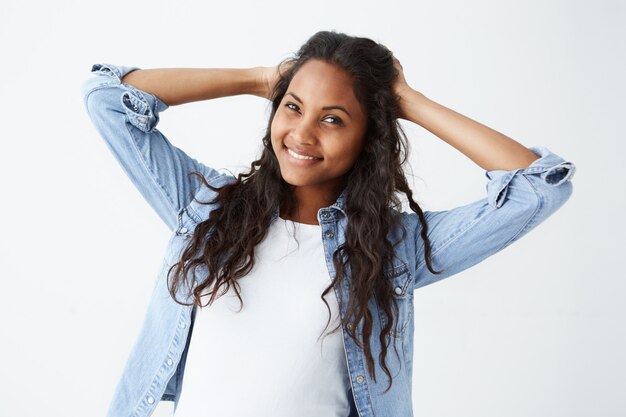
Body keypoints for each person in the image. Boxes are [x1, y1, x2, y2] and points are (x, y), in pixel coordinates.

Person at [81, 30, 575, 417]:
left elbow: (539, 187)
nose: (302, 133)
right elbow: (106, 96)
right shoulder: (209, 208)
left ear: (370, 135)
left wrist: (408, 102)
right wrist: (259, 78)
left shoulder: (392, 247)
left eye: (333, 119)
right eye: (293, 107)